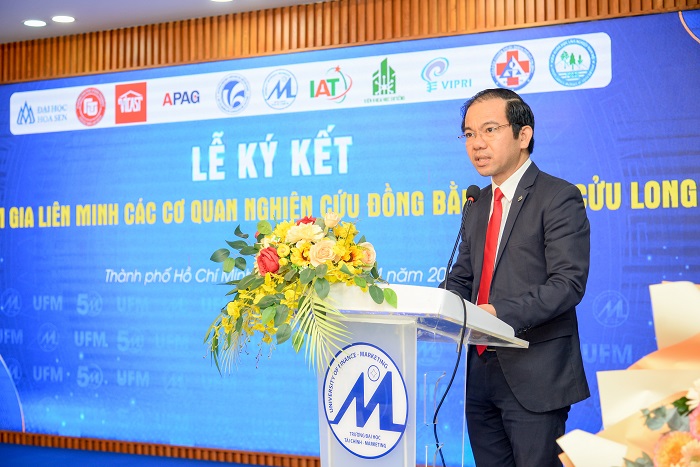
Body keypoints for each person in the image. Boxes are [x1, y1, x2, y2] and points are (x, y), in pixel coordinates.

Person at [443, 88, 590, 466]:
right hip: (480, 373)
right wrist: (431, 304)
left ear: (523, 135)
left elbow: (567, 284)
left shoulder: (558, 197)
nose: (477, 143)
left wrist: (497, 314)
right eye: (469, 134)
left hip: (535, 373)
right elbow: (463, 278)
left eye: (489, 130)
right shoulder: (478, 203)